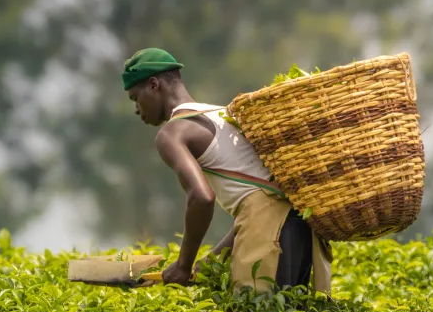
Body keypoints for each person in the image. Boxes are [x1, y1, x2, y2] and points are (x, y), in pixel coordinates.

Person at [121, 47, 332, 294]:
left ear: (154, 85)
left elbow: (202, 198)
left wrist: (183, 264)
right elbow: (260, 202)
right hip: (301, 229)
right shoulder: (225, 114)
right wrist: (208, 262)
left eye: (136, 99)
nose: (137, 110)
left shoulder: (172, 133)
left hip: (271, 234)